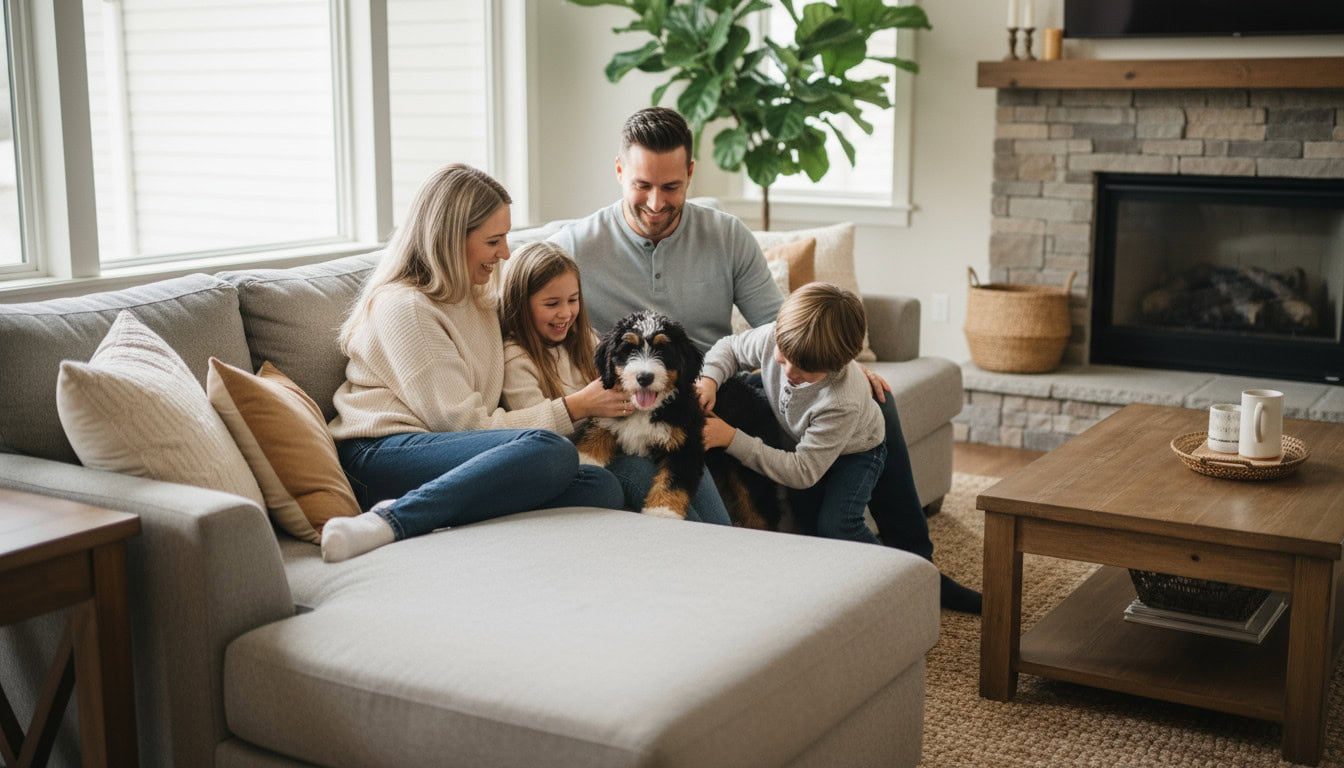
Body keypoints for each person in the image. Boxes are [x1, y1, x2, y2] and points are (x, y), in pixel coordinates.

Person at [552, 107, 981, 613]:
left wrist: (840, 366)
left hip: (725, 388)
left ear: (691, 172)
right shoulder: (575, 247)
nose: (655, 202)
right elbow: (532, 319)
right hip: (642, 402)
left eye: (671, 187)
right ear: (620, 171)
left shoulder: (727, 234)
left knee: (876, 402)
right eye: (643, 185)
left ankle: (920, 567)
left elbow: (783, 327)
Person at [322, 164, 624, 563]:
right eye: (494, 241)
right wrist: (576, 407)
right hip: (383, 454)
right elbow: (461, 425)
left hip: (451, 452)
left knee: (601, 487)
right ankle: (392, 520)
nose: (505, 253)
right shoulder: (405, 307)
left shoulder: (478, 296)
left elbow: (546, 324)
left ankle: (451, 512)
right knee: (551, 451)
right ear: (450, 240)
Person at [498, 240, 733, 524]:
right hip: (572, 458)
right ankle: (693, 544)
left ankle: (722, 537)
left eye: (573, 300)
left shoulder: (584, 338)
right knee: (639, 473)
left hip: (629, 437)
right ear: (520, 304)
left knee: (689, 462)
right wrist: (582, 406)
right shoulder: (516, 358)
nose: (565, 313)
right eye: (551, 303)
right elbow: (536, 438)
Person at [699, 283, 887, 544]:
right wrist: (709, 379)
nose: (788, 372)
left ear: (838, 365)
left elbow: (803, 472)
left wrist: (731, 439)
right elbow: (730, 348)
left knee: (837, 526)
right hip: (804, 438)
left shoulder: (841, 401)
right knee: (805, 523)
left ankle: (892, 571)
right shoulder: (773, 337)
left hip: (856, 453)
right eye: (783, 357)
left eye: (805, 370)